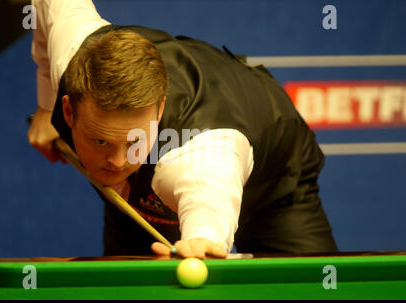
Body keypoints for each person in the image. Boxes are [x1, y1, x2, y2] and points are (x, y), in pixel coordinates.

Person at [28, 0, 338, 258]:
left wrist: (202, 240)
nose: (118, 161)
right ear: (69, 110)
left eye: (135, 141)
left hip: (273, 181)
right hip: (143, 199)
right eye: (100, 141)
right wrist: (45, 106)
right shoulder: (72, 53)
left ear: (159, 109)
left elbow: (208, 194)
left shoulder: (203, 154)